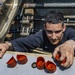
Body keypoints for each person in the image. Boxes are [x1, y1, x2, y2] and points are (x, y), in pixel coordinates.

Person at [0, 10, 75, 68]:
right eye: (49, 32)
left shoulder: (69, 33)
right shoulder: (41, 36)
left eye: (57, 32)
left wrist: (70, 44)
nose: (53, 37)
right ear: (44, 27)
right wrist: (6, 45)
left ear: (64, 28)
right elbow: (23, 42)